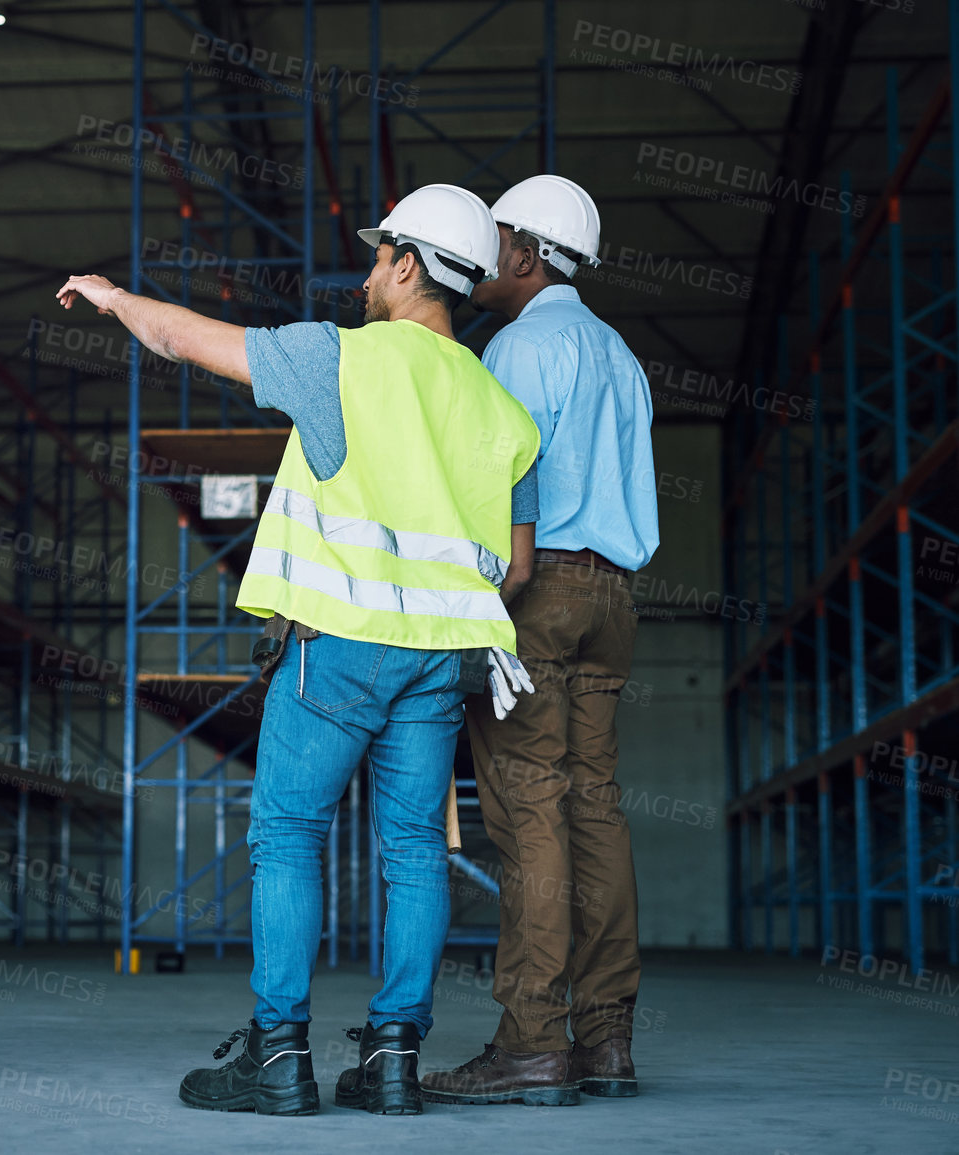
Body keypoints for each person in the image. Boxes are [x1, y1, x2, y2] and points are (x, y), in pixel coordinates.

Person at [56, 183, 541, 1118]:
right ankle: (395, 1057)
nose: (365, 276)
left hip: (338, 652)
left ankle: (279, 1055)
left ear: (405, 264)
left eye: (374, 258)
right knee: (412, 851)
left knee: (287, 835)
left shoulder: (340, 360)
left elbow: (187, 338)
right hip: (441, 659)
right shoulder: (502, 413)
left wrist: (116, 300)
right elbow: (514, 567)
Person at [420, 174, 659, 1108]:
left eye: (494, 242)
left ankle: (527, 1041)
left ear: (524, 254)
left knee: (530, 815)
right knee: (594, 809)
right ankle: (605, 1040)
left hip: (536, 592)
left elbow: (498, 496)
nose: (480, 259)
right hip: (613, 599)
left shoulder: (516, 348)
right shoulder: (620, 354)